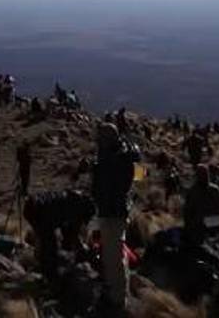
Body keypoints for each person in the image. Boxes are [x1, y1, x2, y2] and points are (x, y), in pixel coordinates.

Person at [91, 122, 140, 314]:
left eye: (101, 138)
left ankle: (118, 299)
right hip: (114, 209)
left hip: (113, 211)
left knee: (113, 256)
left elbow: (110, 185)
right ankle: (118, 291)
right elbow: (138, 178)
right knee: (114, 253)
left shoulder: (115, 160)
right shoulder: (121, 156)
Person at [23, 189, 96, 280]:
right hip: (40, 210)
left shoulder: (72, 198)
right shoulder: (78, 209)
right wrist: (79, 249)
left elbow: (68, 233)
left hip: (33, 204)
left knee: (46, 241)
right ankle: (50, 276)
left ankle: (44, 267)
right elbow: (71, 234)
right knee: (49, 246)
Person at [182, 165, 219, 249]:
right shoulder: (213, 190)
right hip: (207, 225)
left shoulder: (193, 191)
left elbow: (187, 213)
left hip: (204, 225)